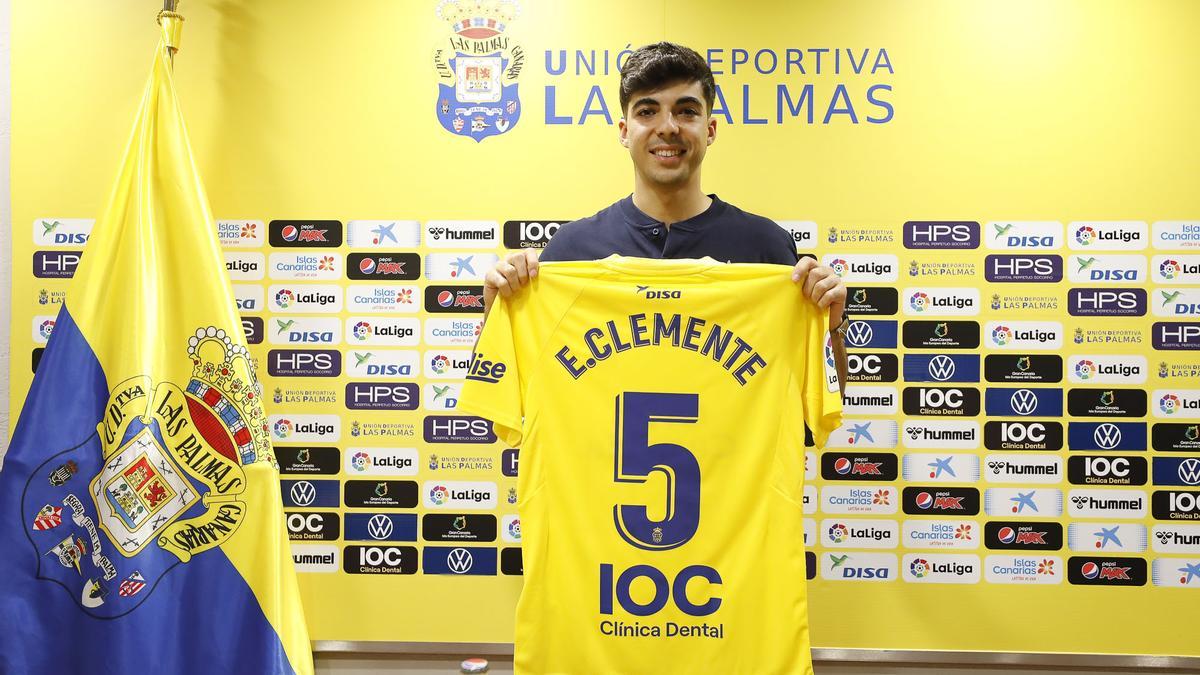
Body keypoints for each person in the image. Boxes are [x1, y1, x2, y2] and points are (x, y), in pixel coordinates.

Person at [483, 41, 848, 391]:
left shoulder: (766, 246)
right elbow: (510, 392)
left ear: (710, 129)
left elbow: (813, 409)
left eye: (687, 111)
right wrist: (496, 311)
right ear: (625, 132)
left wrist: (830, 326)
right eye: (647, 111)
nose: (668, 126)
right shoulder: (571, 250)